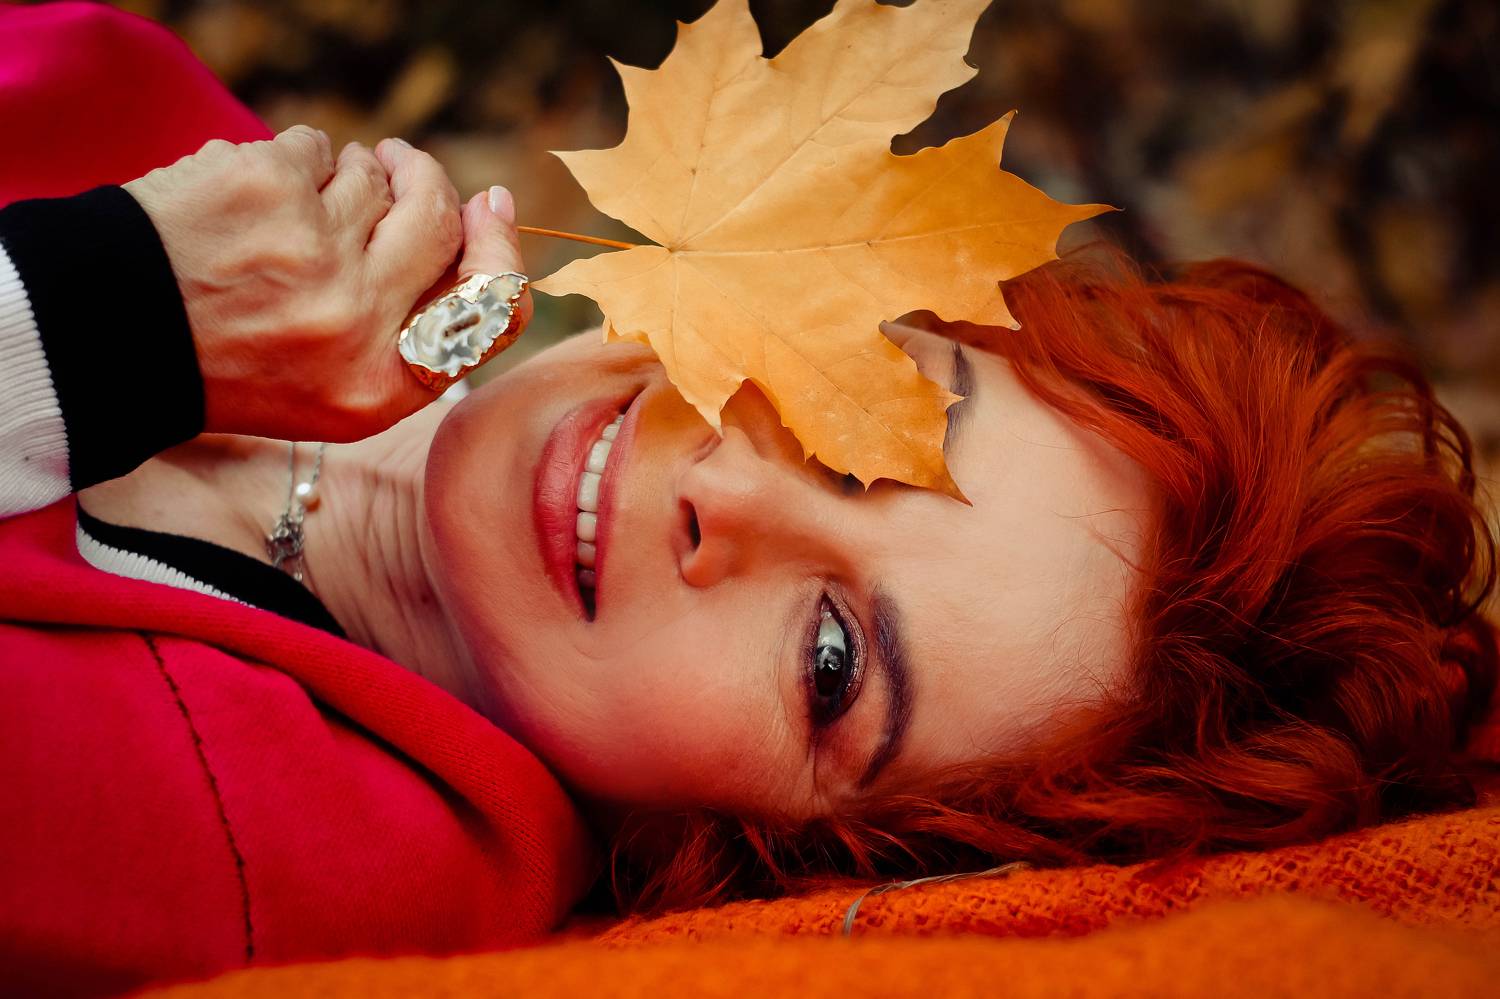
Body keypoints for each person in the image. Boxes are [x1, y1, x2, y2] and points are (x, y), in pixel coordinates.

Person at [2, 4, 1496, 996]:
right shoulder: (173, 124)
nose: (724, 489)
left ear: (760, 860)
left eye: (832, 661)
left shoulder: (266, 853)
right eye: (871, 418)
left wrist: (97, 324)